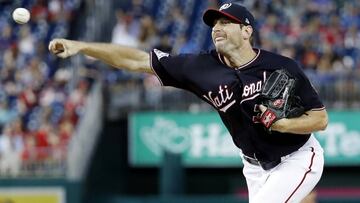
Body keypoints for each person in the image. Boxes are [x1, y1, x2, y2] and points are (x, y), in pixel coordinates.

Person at [48, 2, 328, 203]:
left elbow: (320, 119)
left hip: (298, 158)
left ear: (246, 31)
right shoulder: (199, 67)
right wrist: (82, 47)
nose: (217, 28)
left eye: (226, 22)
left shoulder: (281, 66)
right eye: (214, 23)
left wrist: (284, 124)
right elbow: (136, 60)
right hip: (254, 167)